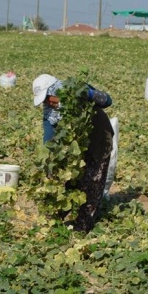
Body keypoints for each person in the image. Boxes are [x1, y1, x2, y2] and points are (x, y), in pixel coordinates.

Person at [32, 74, 114, 232]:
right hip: (75, 145)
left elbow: (107, 100)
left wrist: (88, 94)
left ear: (56, 91)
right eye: (44, 100)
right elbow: (49, 137)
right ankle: (56, 219)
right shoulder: (50, 110)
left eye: (48, 98)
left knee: (93, 181)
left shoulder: (76, 90)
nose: (48, 103)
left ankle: (83, 225)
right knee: (70, 180)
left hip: (98, 136)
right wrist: (49, 161)